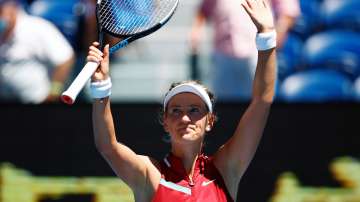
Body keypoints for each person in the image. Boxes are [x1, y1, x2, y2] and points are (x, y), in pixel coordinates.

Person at [88, 0, 276, 201]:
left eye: (194, 110)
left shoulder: (225, 168)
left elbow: (261, 102)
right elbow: (108, 146)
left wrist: (267, 36)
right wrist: (101, 89)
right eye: (176, 111)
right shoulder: (150, 175)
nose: (185, 118)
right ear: (165, 122)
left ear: (210, 121)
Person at [190, 0, 299, 101]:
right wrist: (196, 31)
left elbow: (289, 10)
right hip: (223, 57)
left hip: (257, 56)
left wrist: (276, 35)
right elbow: (204, 10)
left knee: (259, 104)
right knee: (224, 109)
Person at [0, 0, 75, 104]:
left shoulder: (37, 27)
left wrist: (53, 93)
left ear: (13, 7)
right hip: (7, 107)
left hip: (38, 106)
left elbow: (66, 59)